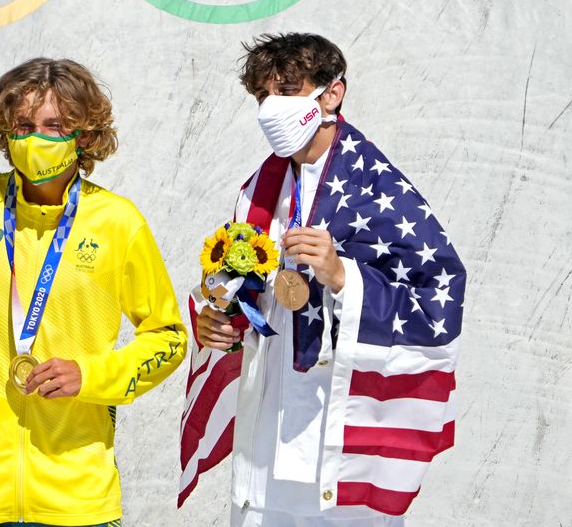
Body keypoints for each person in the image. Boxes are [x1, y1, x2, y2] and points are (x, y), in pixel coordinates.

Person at [0, 58, 186, 527]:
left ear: (84, 135)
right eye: (22, 126)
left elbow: (168, 339)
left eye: (54, 126)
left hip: (77, 495)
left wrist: (91, 375)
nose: (34, 138)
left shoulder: (117, 222)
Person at [179, 34, 465, 525]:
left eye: (288, 91)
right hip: (265, 441)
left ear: (332, 93)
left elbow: (437, 301)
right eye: (263, 95)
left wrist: (342, 276)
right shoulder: (259, 190)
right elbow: (244, 295)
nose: (272, 107)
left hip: (335, 445)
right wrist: (219, 325)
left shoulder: (376, 187)